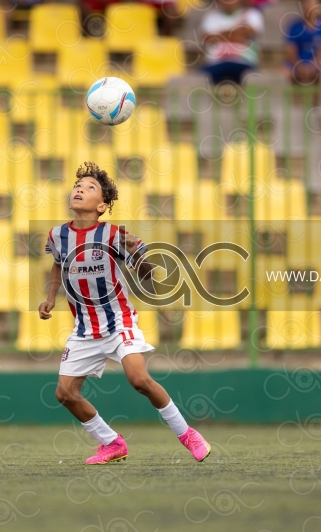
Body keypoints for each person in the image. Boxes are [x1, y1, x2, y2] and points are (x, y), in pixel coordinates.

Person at [38, 161, 212, 465]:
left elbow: (146, 273)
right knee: (64, 394)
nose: (79, 189)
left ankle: (188, 434)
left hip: (119, 322)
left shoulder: (114, 234)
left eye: (89, 187)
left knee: (139, 379)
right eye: (78, 186)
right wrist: (51, 297)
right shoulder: (57, 236)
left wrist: (137, 255)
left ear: (102, 206)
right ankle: (112, 443)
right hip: (84, 330)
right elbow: (57, 264)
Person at [199, 0, 263, 85]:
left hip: (244, 62)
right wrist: (237, 33)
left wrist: (219, 35)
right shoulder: (210, 17)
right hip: (215, 64)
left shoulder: (252, 14)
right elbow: (207, 38)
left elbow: (249, 31)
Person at [284, 0, 321, 86]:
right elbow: (290, 50)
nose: (308, 7)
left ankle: (318, 99)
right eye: (306, 3)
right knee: (285, 73)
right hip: (297, 63)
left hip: (318, 64)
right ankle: (295, 99)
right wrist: (299, 67)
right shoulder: (294, 27)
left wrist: (312, 68)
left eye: (312, 4)